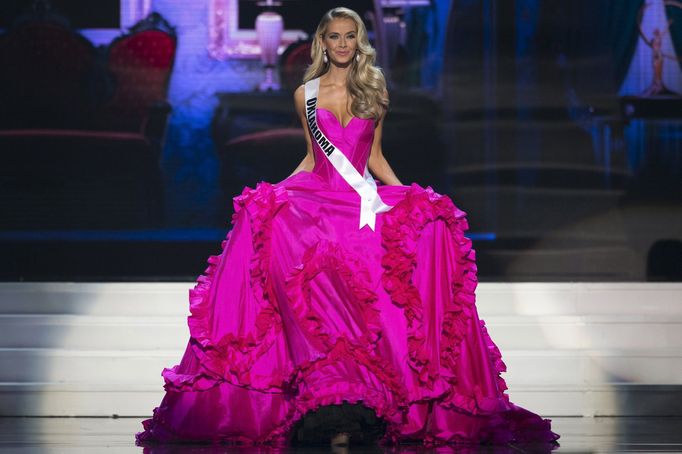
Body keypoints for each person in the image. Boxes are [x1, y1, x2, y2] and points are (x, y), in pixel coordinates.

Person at [136, 7, 560, 450]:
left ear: (359, 42)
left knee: (394, 266)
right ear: (323, 41)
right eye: (334, 36)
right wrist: (275, 194)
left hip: (360, 202)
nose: (342, 44)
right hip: (317, 200)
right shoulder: (306, 94)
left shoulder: (373, 93)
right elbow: (310, 158)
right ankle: (321, 393)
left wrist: (414, 201)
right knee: (283, 248)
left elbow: (374, 158)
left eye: (350, 36)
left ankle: (378, 399)